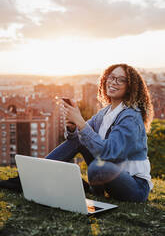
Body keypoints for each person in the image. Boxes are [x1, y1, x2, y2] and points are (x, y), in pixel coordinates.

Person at [0, 63, 154, 202]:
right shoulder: (105, 112)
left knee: (98, 167)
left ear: (131, 87)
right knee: (81, 140)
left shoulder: (130, 117)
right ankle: (26, 179)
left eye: (121, 80)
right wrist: (73, 128)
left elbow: (108, 153)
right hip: (110, 176)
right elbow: (79, 139)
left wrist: (80, 122)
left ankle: (90, 189)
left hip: (135, 186)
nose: (113, 82)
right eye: (111, 77)